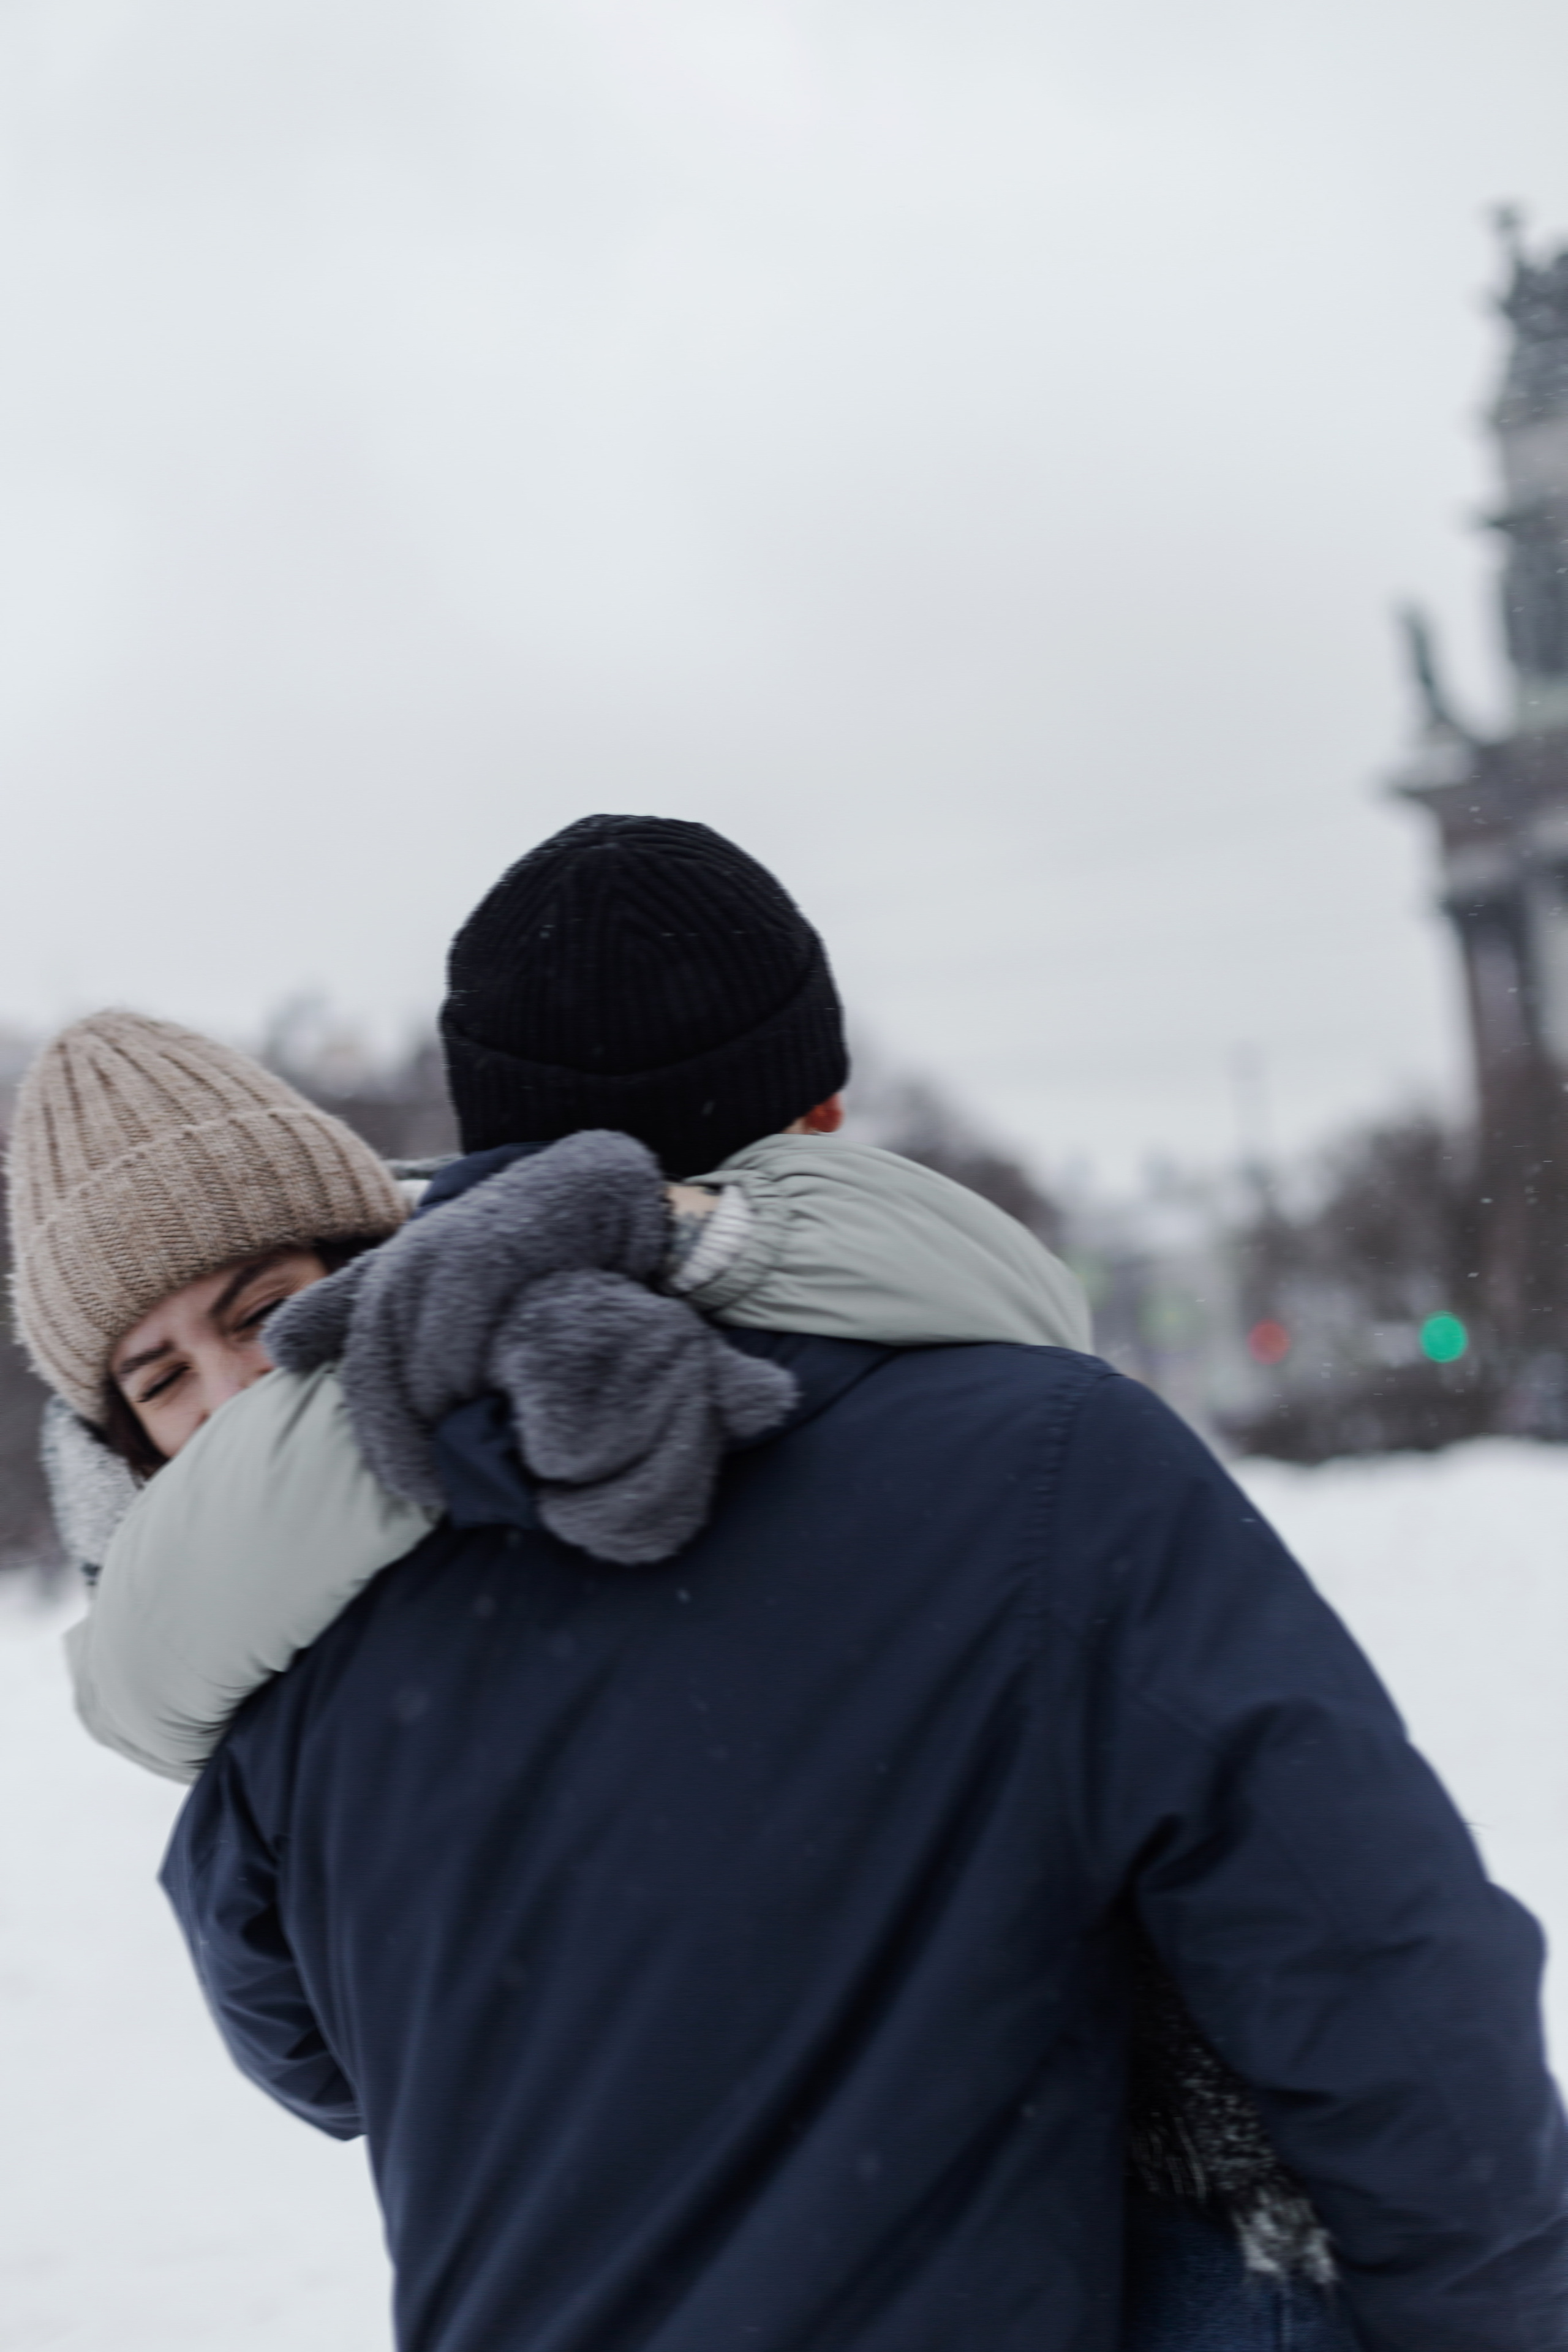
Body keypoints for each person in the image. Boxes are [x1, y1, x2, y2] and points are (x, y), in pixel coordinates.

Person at [10, 818, 1568, 2352]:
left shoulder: (289, 1631)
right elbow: (1388, 1995)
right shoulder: (1043, 1464)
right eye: (160, 1376)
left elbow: (315, 2059)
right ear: (823, 1116)